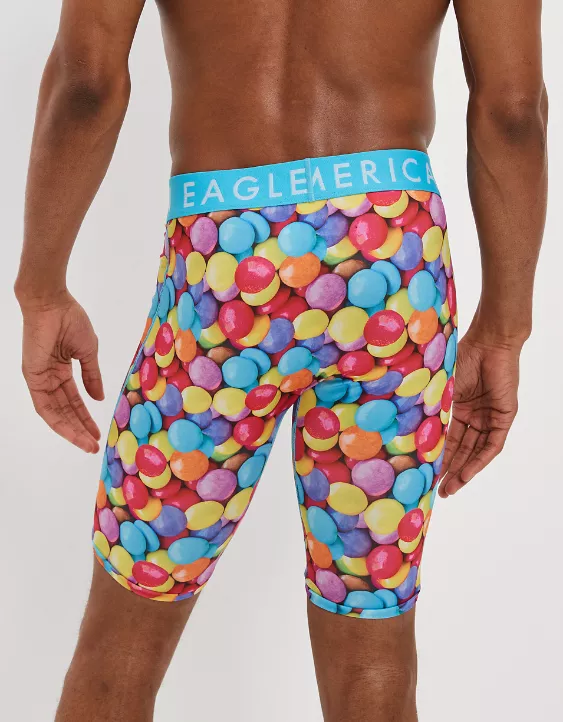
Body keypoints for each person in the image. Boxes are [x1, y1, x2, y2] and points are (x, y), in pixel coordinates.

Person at [14, 0, 547, 720]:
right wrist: (504, 328)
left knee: (124, 638)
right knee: (372, 640)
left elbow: (87, 82)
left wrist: (41, 286)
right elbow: (512, 109)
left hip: (222, 259)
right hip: (391, 262)